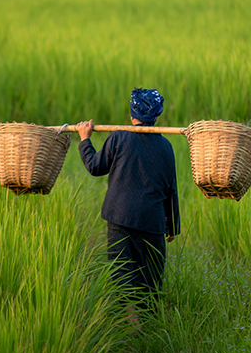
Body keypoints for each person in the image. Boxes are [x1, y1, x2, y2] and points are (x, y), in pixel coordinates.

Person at [76, 88, 180, 327]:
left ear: (133, 114)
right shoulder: (166, 147)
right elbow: (170, 187)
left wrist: (84, 139)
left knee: (121, 272)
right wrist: (172, 224)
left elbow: (94, 166)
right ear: (156, 116)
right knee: (150, 278)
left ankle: (129, 321)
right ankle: (146, 325)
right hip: (152, 222)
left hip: (120, 218)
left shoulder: (118, 137)